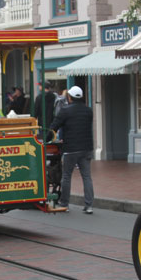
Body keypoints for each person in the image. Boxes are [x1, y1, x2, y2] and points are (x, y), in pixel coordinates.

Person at [49, 85, 94, 214]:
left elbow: (54, 127)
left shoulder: (65, 110)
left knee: (66, 176)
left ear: (70, 97)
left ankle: (65, 204)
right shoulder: (88, 111)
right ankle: (89, 206)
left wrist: (47, 138)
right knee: (87, 177)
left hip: (71, 149)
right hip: (86, 148)